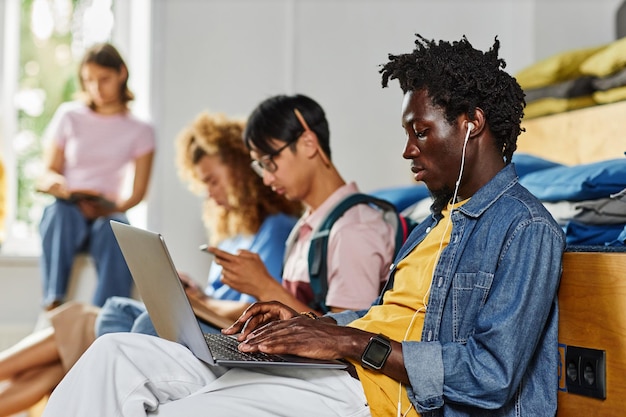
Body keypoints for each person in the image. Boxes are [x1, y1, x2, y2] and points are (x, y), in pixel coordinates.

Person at [41, 35, 566, 417]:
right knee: (115, 355)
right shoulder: (434, 221)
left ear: (472, 124)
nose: (407, 150)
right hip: (345, 371)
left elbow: (492, 377)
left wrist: (350, 345)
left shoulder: (525, 229)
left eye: (421, 132)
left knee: (193, 409)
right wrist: (312, 324)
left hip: (382, 396)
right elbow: (388, 317)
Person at [0, 111, 301, 417]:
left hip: (226, 333)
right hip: (206, 321)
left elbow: (261, 310)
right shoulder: (231, 236)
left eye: (212, 180)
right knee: (106, 316)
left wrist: (198, 301)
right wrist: (195, 292)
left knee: (83, 322)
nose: (210, 193)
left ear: (241, 170)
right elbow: (220, 296)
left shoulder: (276, 231)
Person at [100, 93, 396, 338]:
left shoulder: (352, 230)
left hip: (305, 371)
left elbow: (349, 341)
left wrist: (264, 287)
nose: (266, 179)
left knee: (149, 328)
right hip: (275, 345)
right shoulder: (308, 227)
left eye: (270, 162)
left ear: (308, 143)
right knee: (121, 314)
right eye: (260, 167)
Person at [36, 42, 156, 309]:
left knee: (118, 231)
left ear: (121, 74)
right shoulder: (69, 116)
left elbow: (137, 193)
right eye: (89, 80)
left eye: (104, 79)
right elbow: (48, 171)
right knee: (60, 214)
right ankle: (53, 304)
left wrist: (107, 208)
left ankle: (106, 315)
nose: (96, 88)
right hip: (68, 208)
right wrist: (55, 183)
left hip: (108, 211)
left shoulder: (141, 129)